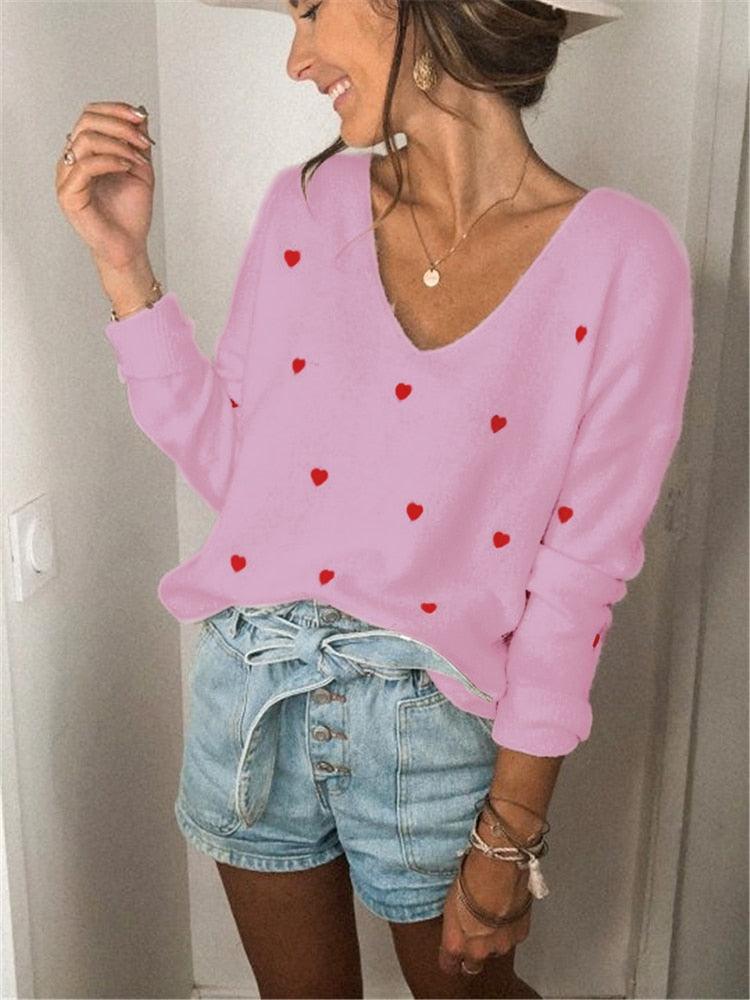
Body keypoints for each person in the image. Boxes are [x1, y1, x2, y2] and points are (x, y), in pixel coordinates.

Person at [55, 1, 696, 997]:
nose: (297, 57)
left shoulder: (623, 257)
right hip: (252, 691)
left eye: (312, 8)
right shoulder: (304, 208)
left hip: (431, 723)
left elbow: (579, 578)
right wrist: (122, 264)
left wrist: (511, 831)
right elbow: (241, 478)